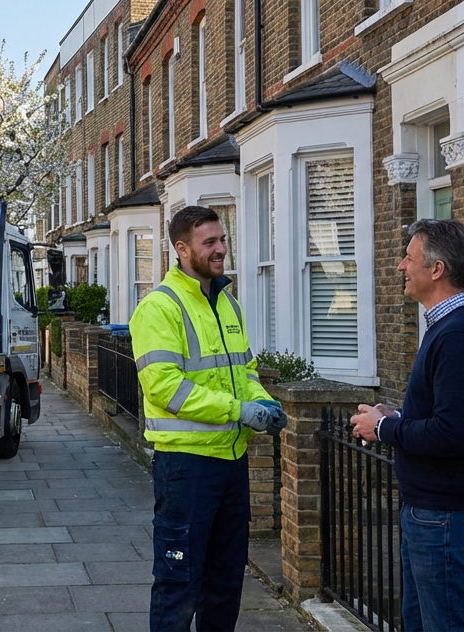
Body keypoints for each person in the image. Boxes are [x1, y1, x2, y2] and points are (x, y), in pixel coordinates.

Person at [129, 205, 286, 632]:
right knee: (178, 586)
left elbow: (245, 371)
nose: (221, 249)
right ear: (182, 249)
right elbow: (165, 388)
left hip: (231, 462)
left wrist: (263, 403)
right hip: (186, 467)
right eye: (210, 242)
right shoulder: (159, 307)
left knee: (225, 583)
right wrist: (239, 411)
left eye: (223, 239)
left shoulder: (227, 303)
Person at [350, 219, 464, 632]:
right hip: (435, 513)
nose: (401, 266)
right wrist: (396, 418)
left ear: (436, 270)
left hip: (448, 516)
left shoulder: (459, 336)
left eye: (409, 258)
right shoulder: (450, 328)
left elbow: (452, 434)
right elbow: (448, 417)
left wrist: (383, 430)